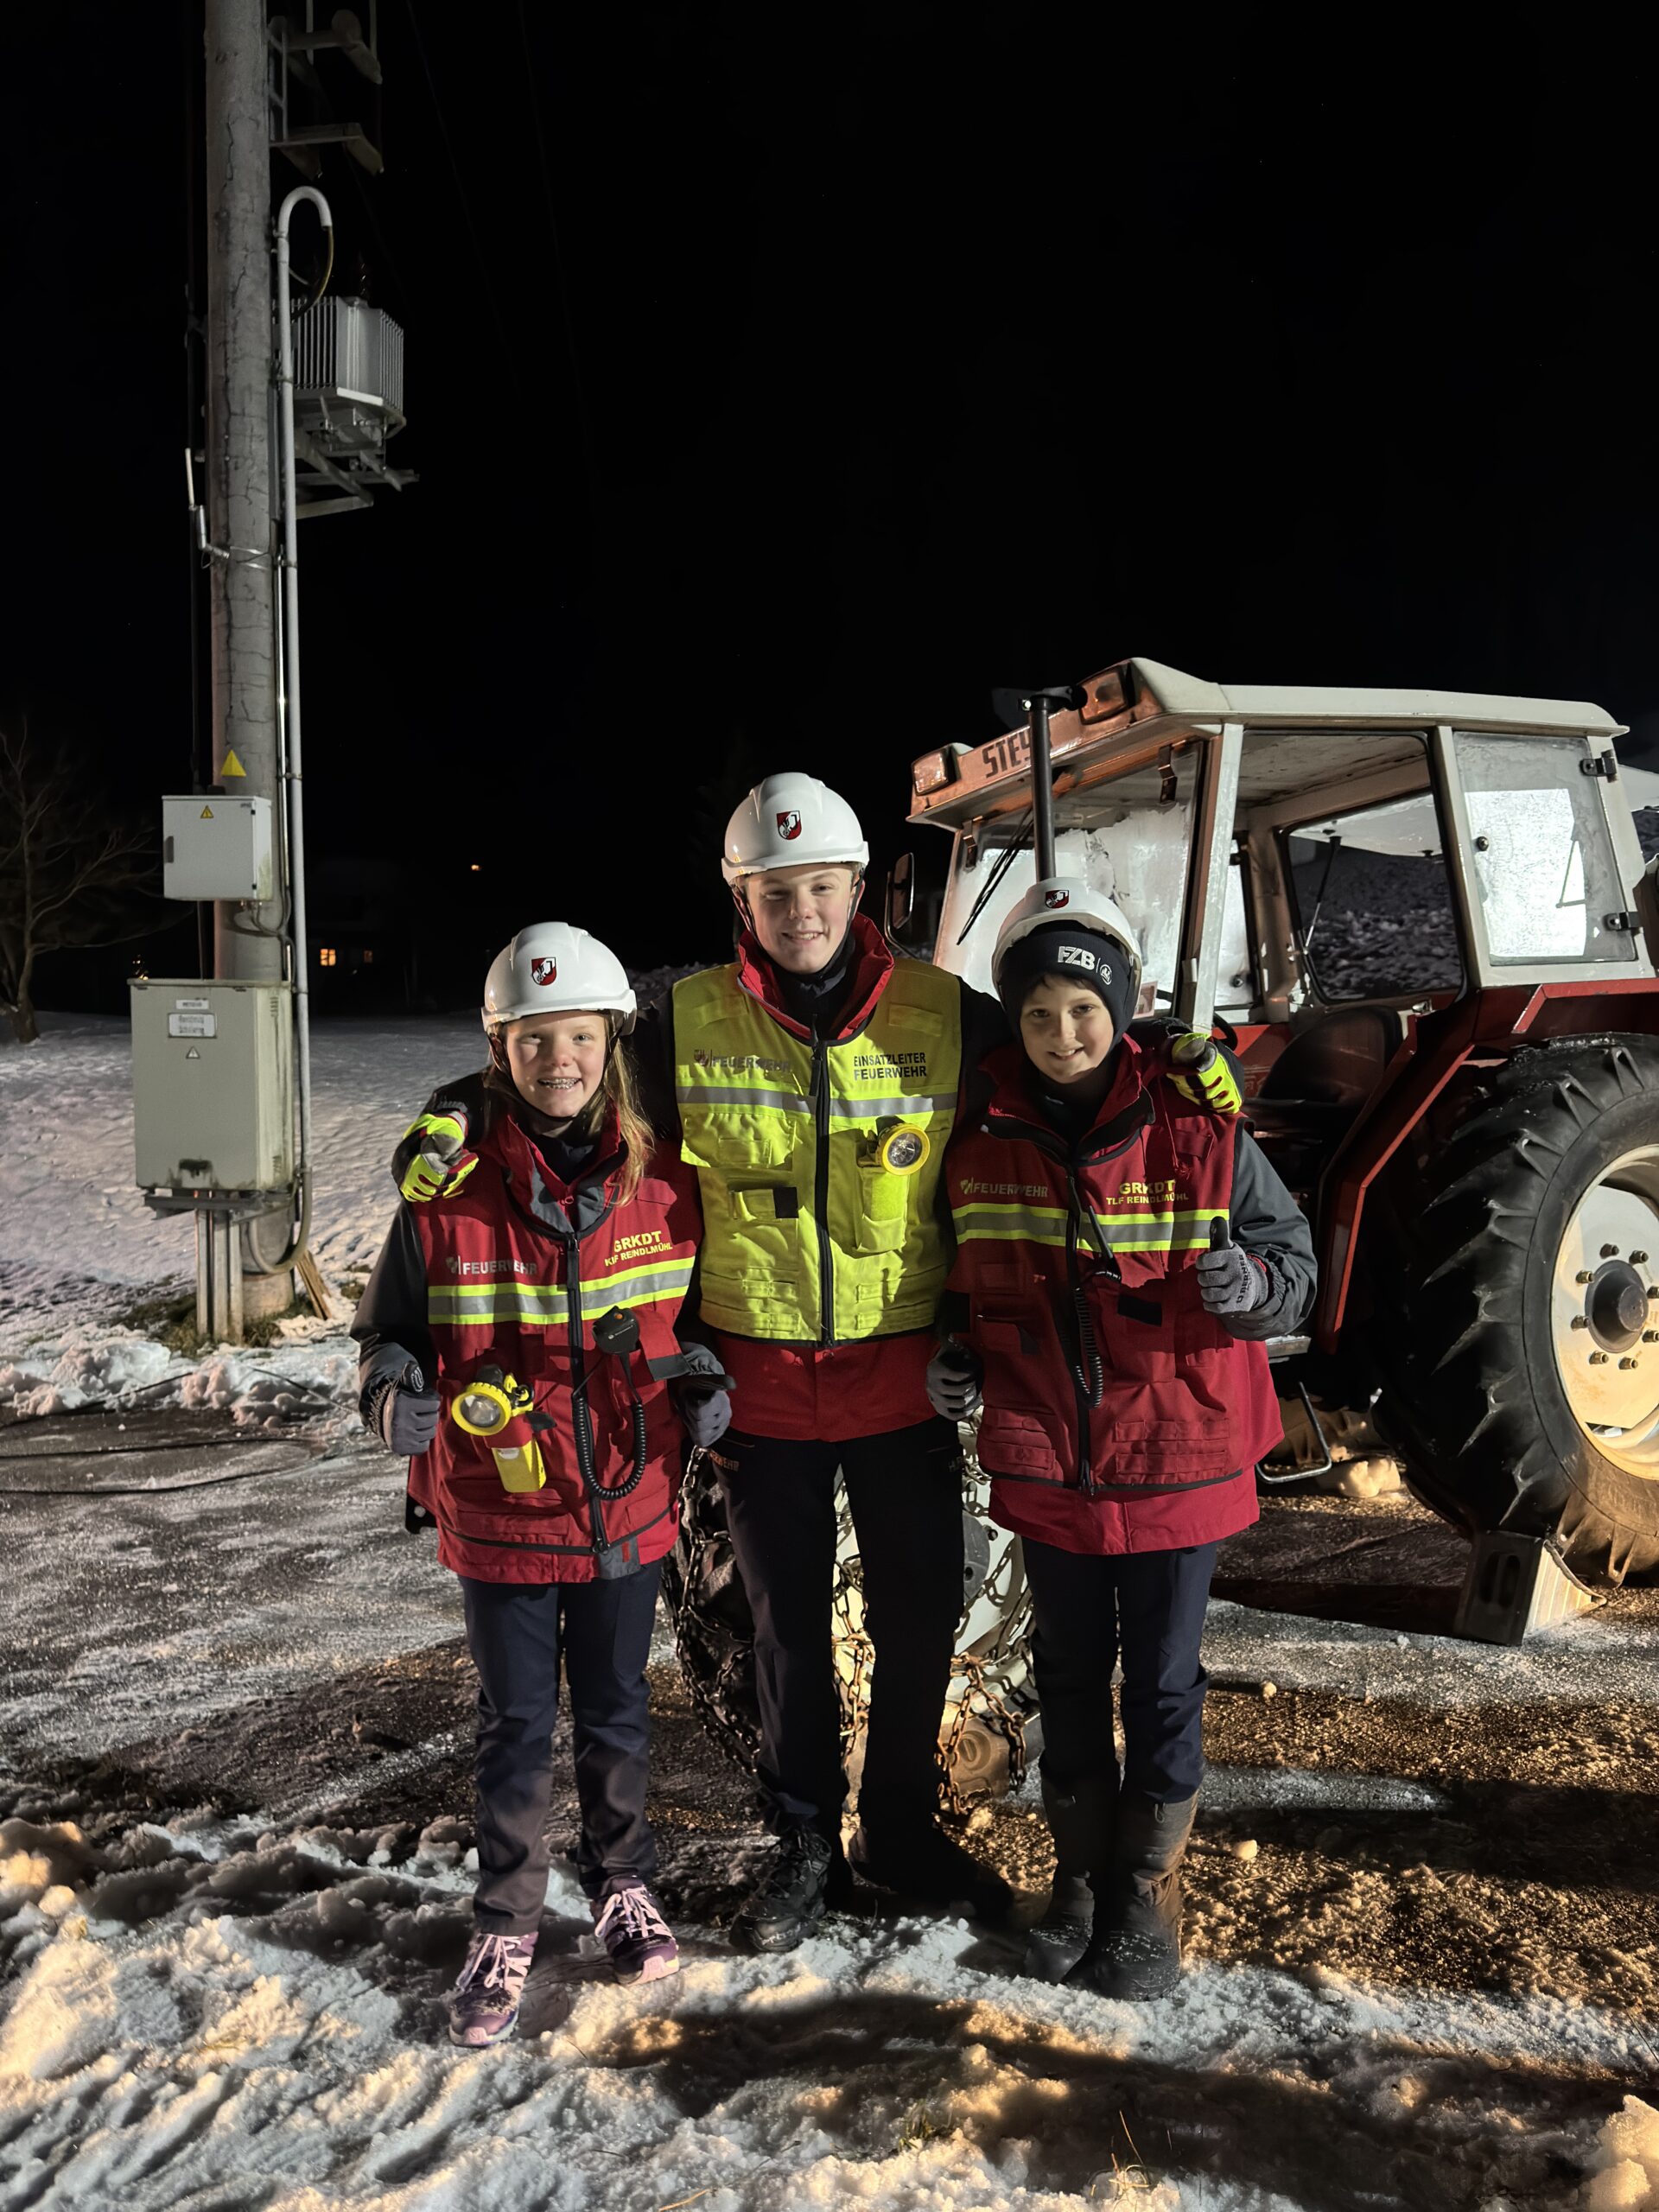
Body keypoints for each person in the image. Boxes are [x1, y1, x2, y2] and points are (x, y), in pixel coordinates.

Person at [933, 877, 1316, 2000]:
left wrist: (1251, 1286)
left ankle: (1145, 1894)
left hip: (1176, 1457)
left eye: (1084, 1012)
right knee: (1065, 1675)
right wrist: (958, 1350)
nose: (1062, 1036)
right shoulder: (981, 1135)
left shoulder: (1201, 1130)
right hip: (1051, 1462)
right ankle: (1081, 1884)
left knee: (1157, 1683)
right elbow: (972, 1283)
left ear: (1123, 1009)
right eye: (1040, 1014)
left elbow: (1293, 1268)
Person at [353, 924, 728, 2047]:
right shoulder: (446, 1191)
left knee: (616, 1716)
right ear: (497, 1050)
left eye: (576, 1037)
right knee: (518, 1726)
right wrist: (390, 1392)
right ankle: (508, 1923)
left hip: (624, 1504)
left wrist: (704, 1380)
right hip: (503, 1513)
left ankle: (624, 1885)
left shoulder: (666, 1184)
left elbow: (696, 1322)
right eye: (532, 1039)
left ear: (608, 1044)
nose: (556, 1059)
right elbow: (388, 1333)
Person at [668, 772, 1014, 1950]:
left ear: (859, 888)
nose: (800, 910)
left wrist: (1179, 1068)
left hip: (900, 1373)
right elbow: (570, 1120)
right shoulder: (680, 1023)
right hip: (758, 1392)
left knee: (921, 1615)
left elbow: (1049, 1116)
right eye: (776, 892)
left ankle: (900, 1832)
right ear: (741, 899)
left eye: (819, 886)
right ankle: (804, 1839)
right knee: (786, 1628)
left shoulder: (951, 1015)